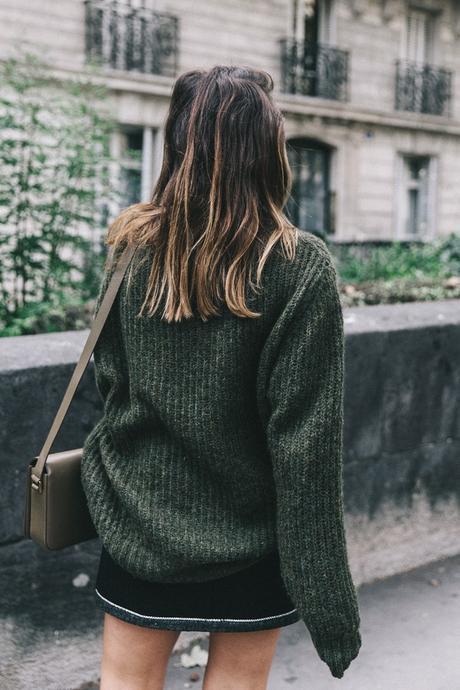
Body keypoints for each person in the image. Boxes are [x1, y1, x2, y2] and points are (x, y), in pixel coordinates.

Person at [81, 64, 362, 690]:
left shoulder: (133, 244)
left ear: (179, 142)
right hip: (251, 534)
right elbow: (305, 444)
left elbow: (111, 380)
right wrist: (330, 597)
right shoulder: (297, 265)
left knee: (124, 682)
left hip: (138, 516)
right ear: (267, 148)